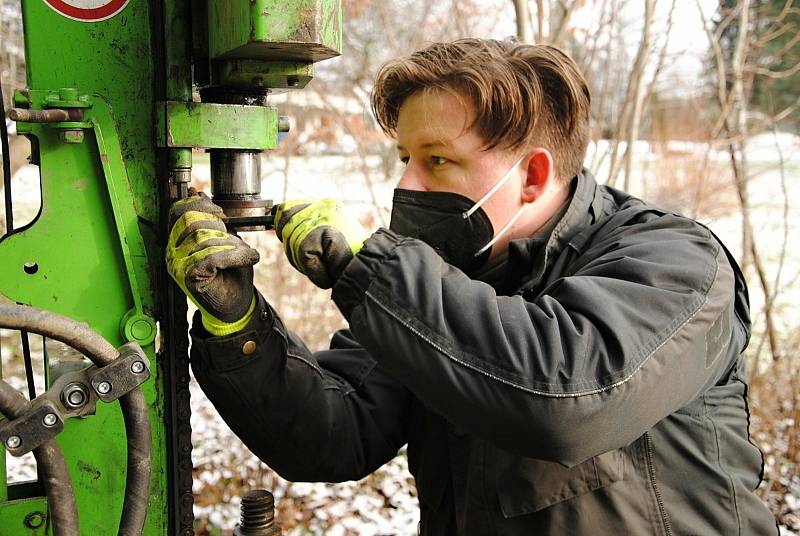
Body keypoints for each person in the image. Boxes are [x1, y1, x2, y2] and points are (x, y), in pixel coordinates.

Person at [166, 38, 778, 535]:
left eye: (437, 159)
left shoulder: (674, 263)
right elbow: (334, 431)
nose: (407, 184)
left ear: (533, 176)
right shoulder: (438, 275)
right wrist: (237, 324)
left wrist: (367, 269)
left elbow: (566, 398)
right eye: (403, 157)